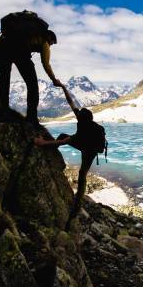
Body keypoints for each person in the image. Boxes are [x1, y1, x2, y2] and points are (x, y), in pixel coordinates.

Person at [34, 84, 107, 229]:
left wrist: (42, 143)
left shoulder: (82, 131)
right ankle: (78, 201)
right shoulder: (86, 121)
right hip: (88, 147)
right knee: (82, 174)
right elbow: (71, 102)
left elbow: (64, 141)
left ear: (82, 120)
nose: (77, 117)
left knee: (81, 173)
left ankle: (77, 205)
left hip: (89, 149)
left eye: (79, 117)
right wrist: (63, 88)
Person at [0, 11, 60, 124]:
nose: (51, 45)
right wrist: (53, 79)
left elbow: (3, 36)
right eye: (52, 43)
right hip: (20, 52)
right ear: (49, 37)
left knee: (4, 77)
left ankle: (4, 109)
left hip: (3, 47)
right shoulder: (44, 42)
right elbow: (46, 64)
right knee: (32, 84)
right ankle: (32, 118)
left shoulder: (16, 31)